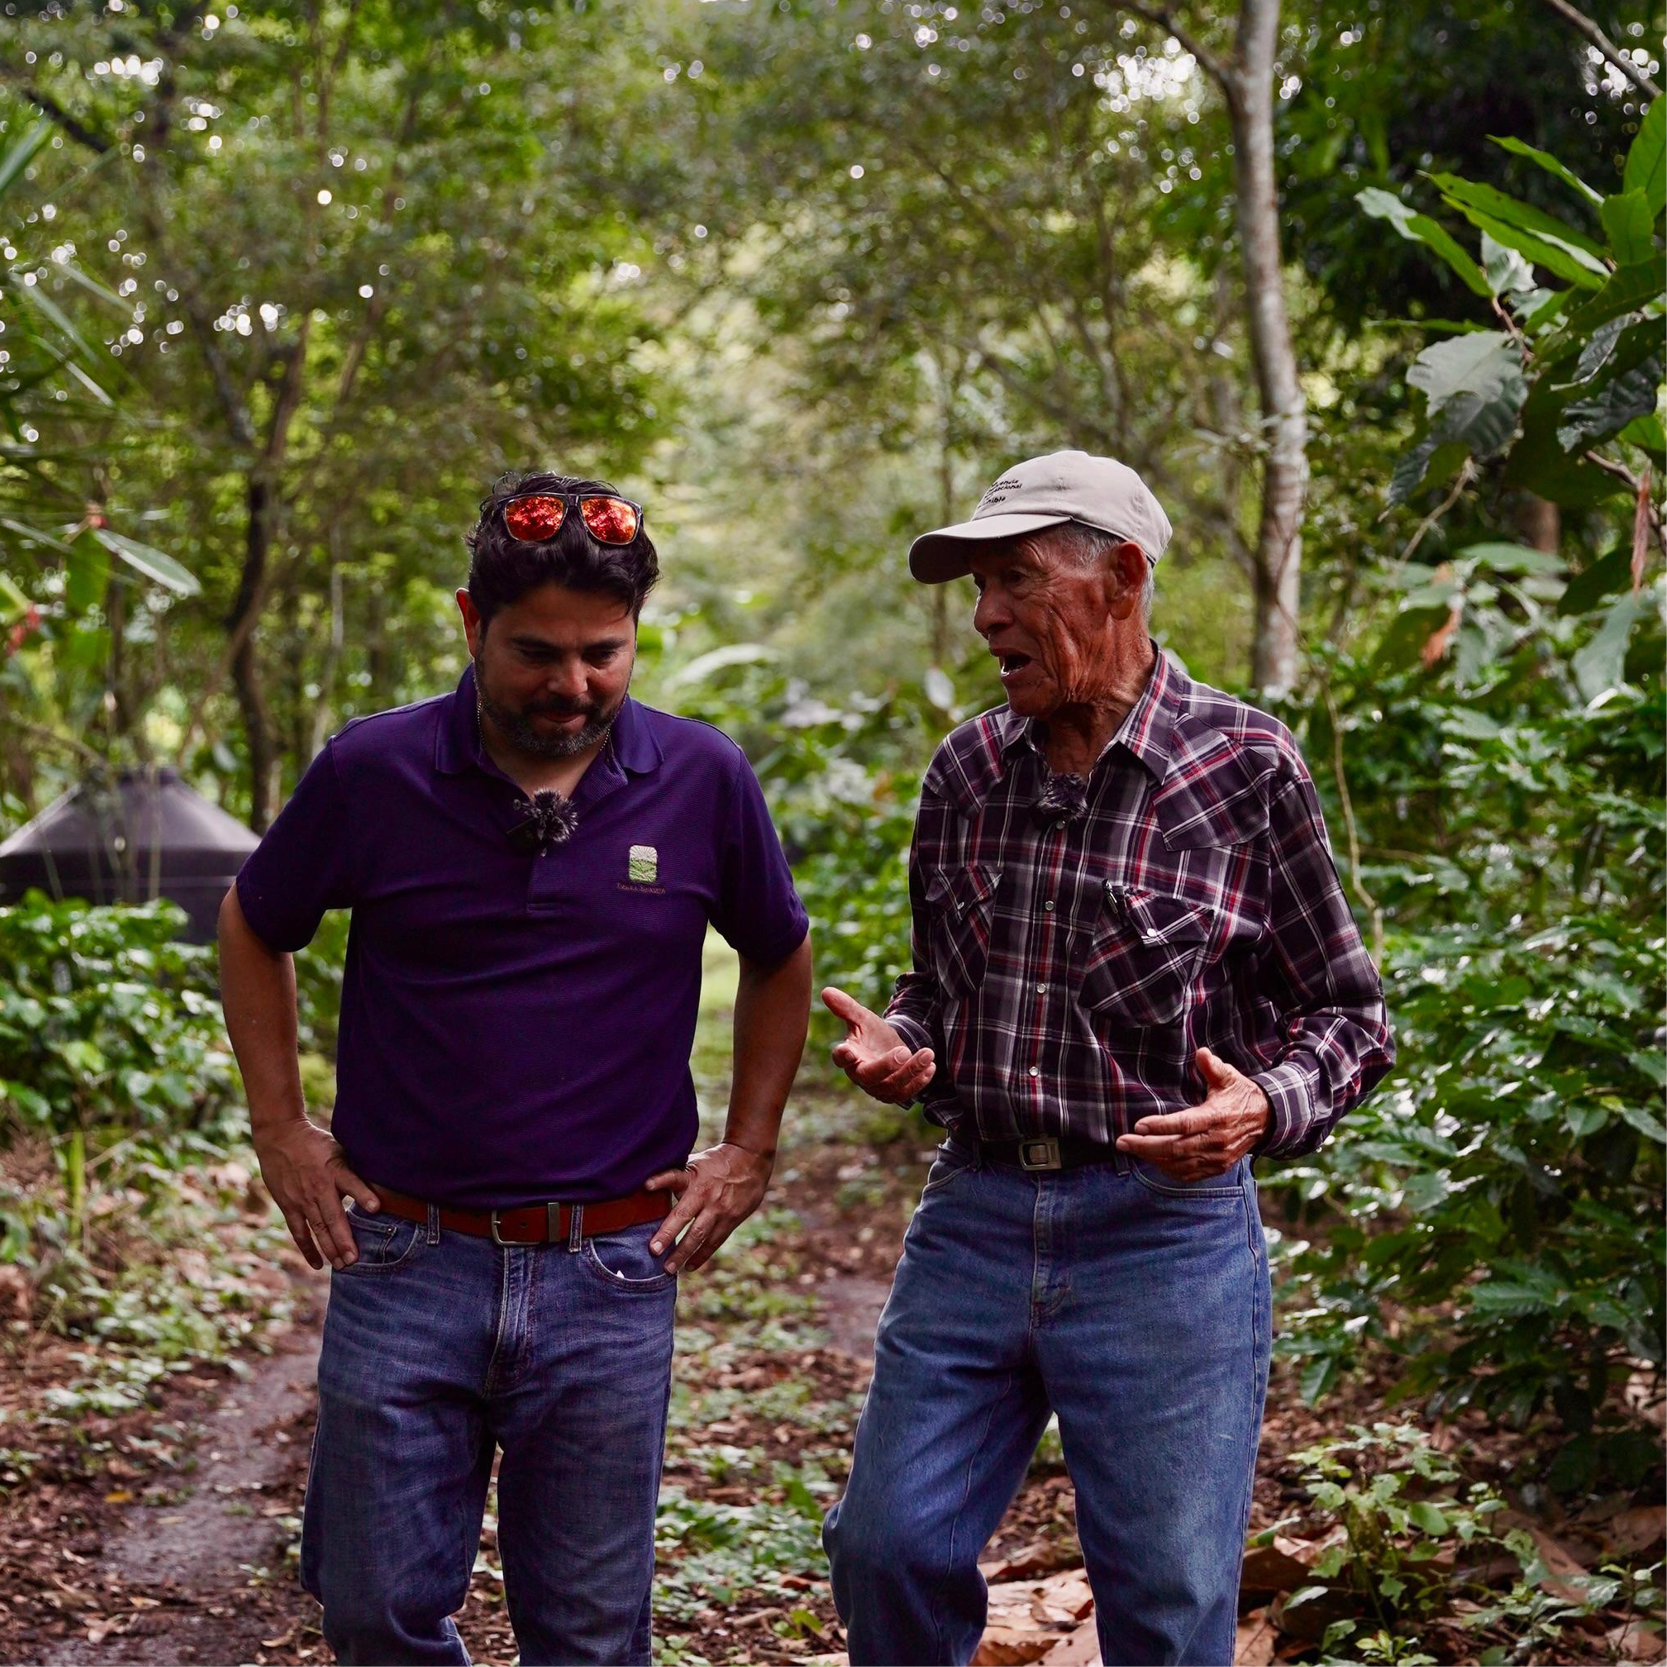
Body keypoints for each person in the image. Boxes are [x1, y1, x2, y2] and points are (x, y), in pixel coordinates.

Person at [218, 471, 812, 1666]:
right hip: (405, 1255)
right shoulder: (373, 771)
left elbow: (778, 952)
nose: (574, 684)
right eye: (537, 652)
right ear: (469, 622)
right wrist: (281, 1125)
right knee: (374, 1611)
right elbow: (254, 922)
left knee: (589, 1635)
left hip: (609, 1267)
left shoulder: (701, 778)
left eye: (605, 652)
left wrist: (748, 1148)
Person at [819, 449, 1394, 1667]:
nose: (984, 616)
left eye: (1016, 579)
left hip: (1163, 1233)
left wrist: (1263, 1106)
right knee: (886, 1544)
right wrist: (907, 1039)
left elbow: (1349, 1015)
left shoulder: (1243, 766)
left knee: (1170, 1601)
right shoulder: (966, 771)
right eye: (978, 587)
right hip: (974, 1209)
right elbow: (939, 990)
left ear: (1122, 576)